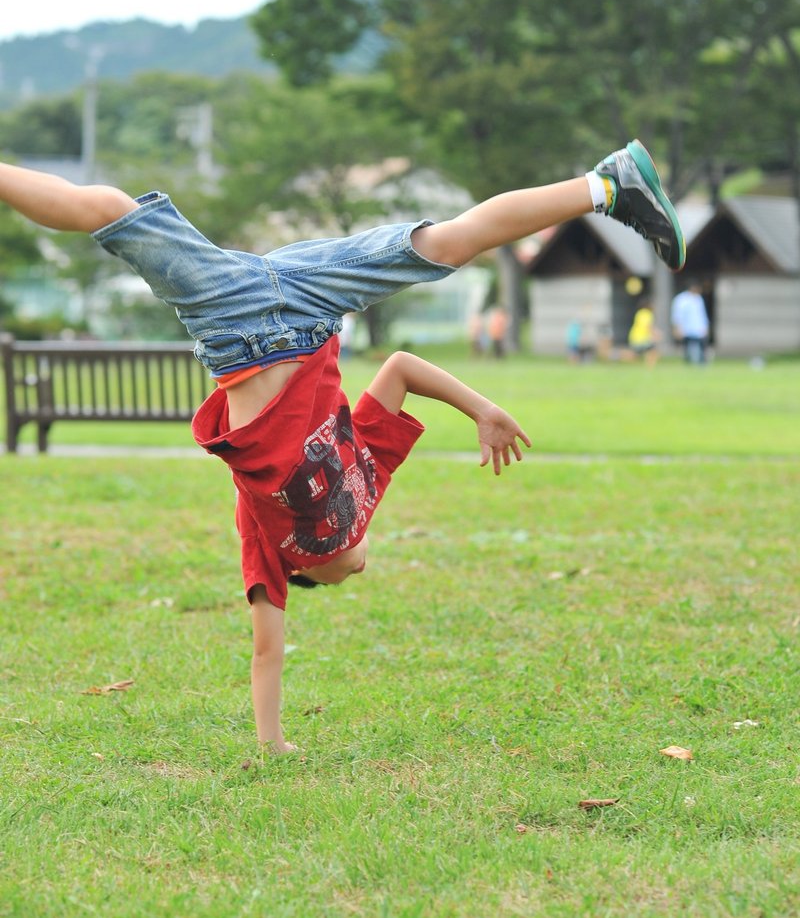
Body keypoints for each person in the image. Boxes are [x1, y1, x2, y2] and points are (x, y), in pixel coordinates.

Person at [0, 138, 685, 753]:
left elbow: (266, 654)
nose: (357, 572)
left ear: (306, 571)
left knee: (113, 212)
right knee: (445, 247)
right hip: (309, 300)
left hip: (241, 324)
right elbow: (401, 371)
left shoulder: (274, 542)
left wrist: (272, 745)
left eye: (334, 579)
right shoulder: (368, 485)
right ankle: (606, 185)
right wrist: (482, 407)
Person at [671, 282, 709, 364]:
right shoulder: (681, 299)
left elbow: (702, 314)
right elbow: (677, 315)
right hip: (686, 329)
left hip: (698, 329)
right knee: (687, 348)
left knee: (701, 347)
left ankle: (701, 363)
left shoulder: (699, 299)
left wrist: (705, 327)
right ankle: (689, 362)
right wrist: (677, 328)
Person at [627, 299, 660, 366]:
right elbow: (648, 326)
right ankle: (650, 367)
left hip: (635, 337)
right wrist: (656, 334)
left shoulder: (639, 313)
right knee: (653, 351)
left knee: (636, 355)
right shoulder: (647, 313)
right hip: (641, 338)